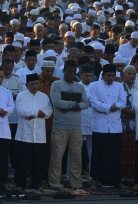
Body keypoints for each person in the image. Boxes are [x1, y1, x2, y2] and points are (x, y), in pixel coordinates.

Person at [48, 60, 89, 190]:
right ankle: (54, 183)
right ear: (64, 71)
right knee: (57, 156)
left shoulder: (80, 87)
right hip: (60, 126)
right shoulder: (57, 85)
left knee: (76, 157)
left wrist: (70, 106)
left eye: (74, 71)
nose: (72, 74)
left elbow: (86, 103)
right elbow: (57, 102)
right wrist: (74, 105)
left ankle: (75, 182)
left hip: (76, 127)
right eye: (69, 71)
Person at [87, 64, 127, 190]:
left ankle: (116, 181)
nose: (111, 78)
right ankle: (94, 181)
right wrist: (110, 107)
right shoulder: (94, 86)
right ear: (103, 75)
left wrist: (112, 106)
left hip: (115, 127)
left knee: (114, 155)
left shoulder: (119, 86)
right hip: (100, 126)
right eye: (108, 75)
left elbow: (123, 102)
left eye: (113, 75)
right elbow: (94, 102)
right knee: (98, 154)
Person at [14, 73, 53, 191]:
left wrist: (32, 114)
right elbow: (21, 111)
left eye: (36, 83)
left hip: (39, 135)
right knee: (22, 162)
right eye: (32, 84)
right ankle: (20, 185)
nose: (35, 86)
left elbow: (49, 112)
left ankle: (36, 184)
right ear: (27, 85)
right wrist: (38, 113)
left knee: (38, 161)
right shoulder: (21, 96)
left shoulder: (44, 97)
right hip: (23, 135)